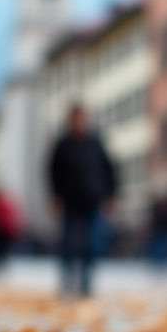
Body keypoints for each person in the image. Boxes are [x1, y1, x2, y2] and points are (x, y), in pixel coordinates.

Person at [48, 104, 116, 299]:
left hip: (93, 198)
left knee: (93, 243)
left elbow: (109, 169)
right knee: (68, 243)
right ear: (70, 121)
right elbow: (52, 172)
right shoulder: (62, 144)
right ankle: (66, 282)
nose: (80, 123)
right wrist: (55, 195)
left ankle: (87, 284)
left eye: (82, 119)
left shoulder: (96, 143)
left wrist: (110, 195)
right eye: (76, 119)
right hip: (69, 199)